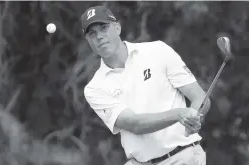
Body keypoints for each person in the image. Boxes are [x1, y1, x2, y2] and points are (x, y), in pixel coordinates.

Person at [81, 6, 211, 165]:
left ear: (117, 28)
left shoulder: (158, 50)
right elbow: (135, 125)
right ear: (88, 40)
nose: (99, 36)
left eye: (104, 28)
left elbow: (199, 97)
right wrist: (179, 114)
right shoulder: (94, 88)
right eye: (92, 33)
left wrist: (193, 115)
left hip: (184, 157)